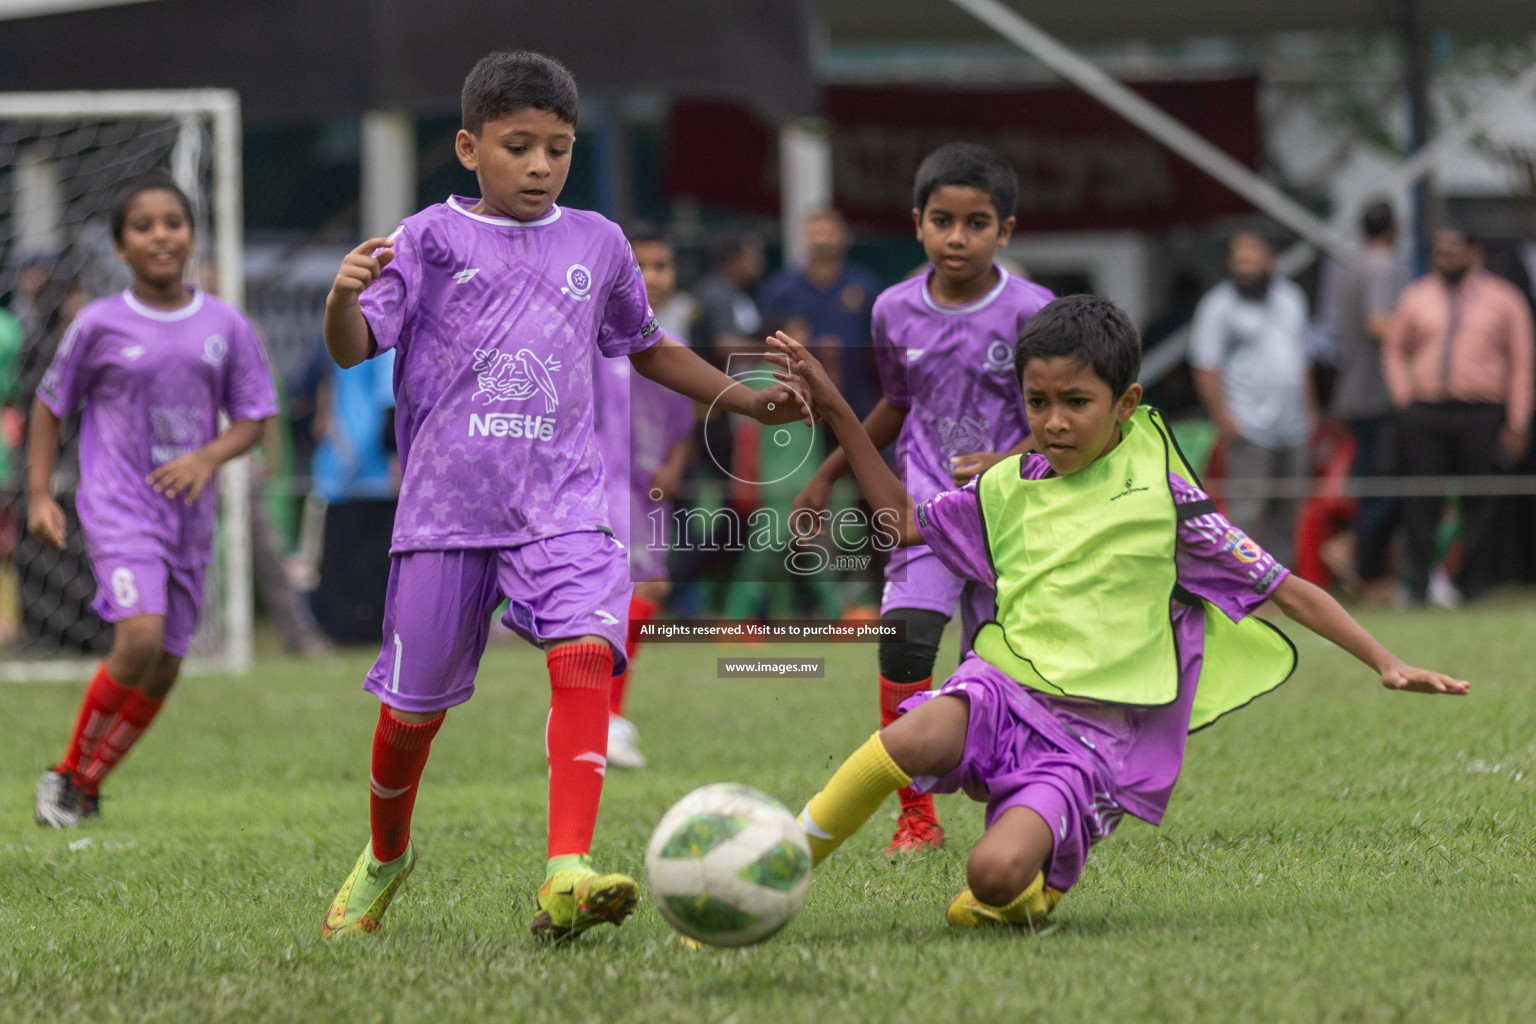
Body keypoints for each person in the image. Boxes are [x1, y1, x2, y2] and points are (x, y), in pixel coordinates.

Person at [767, 295, 1467, 932]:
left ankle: (1035, 885)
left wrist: (1387, 661)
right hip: (1003, 687)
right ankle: (772, 872)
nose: (1054, 422)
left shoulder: (1165, 505)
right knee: (914, 735)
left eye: (1076, 402)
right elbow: (904, 523)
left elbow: (1285, 586)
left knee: (993, 875)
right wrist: (833, 408)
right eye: (1037, 403)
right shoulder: (1008, 483)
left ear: (1126, 403)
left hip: (1091, 740)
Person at [318, 50, 806, 942]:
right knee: (409, 716)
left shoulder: (600, 243)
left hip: (564, 505)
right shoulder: (429, 238)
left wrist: (741, 395)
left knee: (587, 646)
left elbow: (646, 344)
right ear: (469, 147)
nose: (540, 166)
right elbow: (354, 349)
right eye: (518, 147)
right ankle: (387, 853)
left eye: (558, 148)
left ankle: (565, 871)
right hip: (445, 511)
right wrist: (341, 300)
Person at [791, 143, 1052, 854]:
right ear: (917, 223)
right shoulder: (892, 309)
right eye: (943, 221)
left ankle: (1016, 807)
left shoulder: (1034, 311)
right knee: (903, 653)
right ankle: (917, 819)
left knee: (1008, 673)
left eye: (976, 223)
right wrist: (827, 475)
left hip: (1010, 521)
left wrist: (1009, 459)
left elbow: (1063, 420)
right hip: (923, 518)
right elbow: (895, 408)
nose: (957, 238)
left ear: (1006, 231)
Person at [29, 171, 278, 828]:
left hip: (188, 517)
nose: (161, 235)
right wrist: (38, 495)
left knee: (166, 666)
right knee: (138, 639)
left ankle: (85, 782)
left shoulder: (225, 323)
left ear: (192, 235)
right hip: (118, 506)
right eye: (144, 226)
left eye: (173, 222)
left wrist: (208, 456)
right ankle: (65, 774)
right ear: (120, 247)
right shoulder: (97, 323)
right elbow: (51, 406)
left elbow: (254, 416)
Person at [1383, 224, 1534, 604]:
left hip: (1482, 414)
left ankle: (1473, 584)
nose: (1444, 258)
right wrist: (1404, 399)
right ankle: (1417, 586)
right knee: (1422, 501)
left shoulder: (1504, 299)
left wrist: (1517, 421)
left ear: (1474, 252)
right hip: (1427, 413)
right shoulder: (1416, 296)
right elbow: (1395, 349)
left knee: (1480, 503)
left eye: (1452, 250)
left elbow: (1522, 363)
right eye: (1439, 251)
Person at [591, 224, 696, 770]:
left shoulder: (671, 341)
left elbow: (685, 420)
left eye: (662, 266)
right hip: (608, 483)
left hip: (652, 489)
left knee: (644, 593)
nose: (653, 276)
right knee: (642, 587)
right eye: (642, 265)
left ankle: (597, 715)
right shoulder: (599, 336)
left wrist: (676, 465)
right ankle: (605, 718)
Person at [1190, 231, 1314, 566]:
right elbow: (1205, 366)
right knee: (1247, 513)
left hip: (1294, 427)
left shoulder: (1292, 298)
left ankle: (1285, 590)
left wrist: (1311, 415)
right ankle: (1245, 588)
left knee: (1288, 513)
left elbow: (1301, 362)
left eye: (1252, 257)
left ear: (1271, 258)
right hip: (1249, 427)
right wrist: (1225, 419)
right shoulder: (1219, 305)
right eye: (1238, 258)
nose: (1244, 265)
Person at [1323, 202, 1407, 600]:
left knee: (1371, 479)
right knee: (1386, 484)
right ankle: (1351, 549)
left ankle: (1366, 571)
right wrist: (1423, 334)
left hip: (1355, 390)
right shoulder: (1382, 266)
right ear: (1395, 228)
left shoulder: (1352, 266)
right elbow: (1378, 322)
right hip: (1377, 393)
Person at [757, 209, 884, 421]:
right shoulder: (780, 289)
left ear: (844, 237)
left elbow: (882, 345)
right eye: (816, 233)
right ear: (804, 236)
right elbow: (763, 346)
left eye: (830, 233)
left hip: (859, 403)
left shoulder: (865, 286)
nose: (822, 240)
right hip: (796, 404)